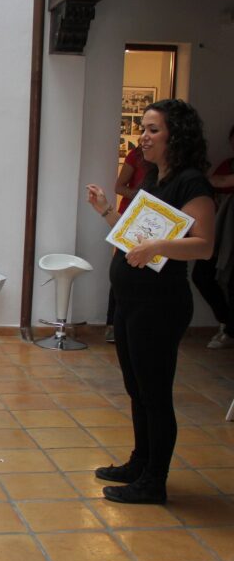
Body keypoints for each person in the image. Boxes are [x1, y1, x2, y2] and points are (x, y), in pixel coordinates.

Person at [86, 99, 215, 504]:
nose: (143, 137)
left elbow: (204, 245)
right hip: (131, 302)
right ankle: (139, 463)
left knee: (154, 394)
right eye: (143, 128)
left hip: (160, 306)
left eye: (153, 129)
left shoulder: (192, 183)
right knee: (137, 389)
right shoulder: (154, 178)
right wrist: (106, 211)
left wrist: (158, 246)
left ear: (176, 135)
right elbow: (132, 237)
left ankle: (153, 481)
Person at [195, 124, 234, 349]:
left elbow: (219, 182)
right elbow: (215, 182)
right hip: (220, 232)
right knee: (203, 275)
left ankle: (229, 329)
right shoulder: (227, 164)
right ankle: (226, 322)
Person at [105, 144, 149, 342]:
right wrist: (143, 198)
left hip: (152, 226)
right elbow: (119, 187)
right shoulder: (136, 155)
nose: (146, 137)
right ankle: (112, 324)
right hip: (131, 218)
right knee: (122, 268)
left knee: (144, 273)